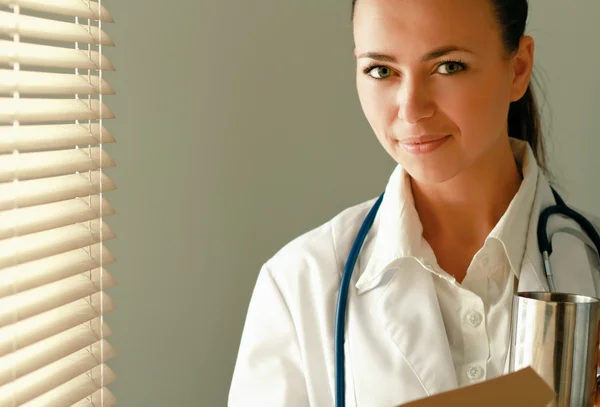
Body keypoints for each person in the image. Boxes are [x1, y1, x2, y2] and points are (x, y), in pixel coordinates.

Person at [228, 0, 600, 406]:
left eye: (448, 66)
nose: (411, 108)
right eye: (382, 71)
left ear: (518, 68)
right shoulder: (299, 285)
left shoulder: (590, 265)